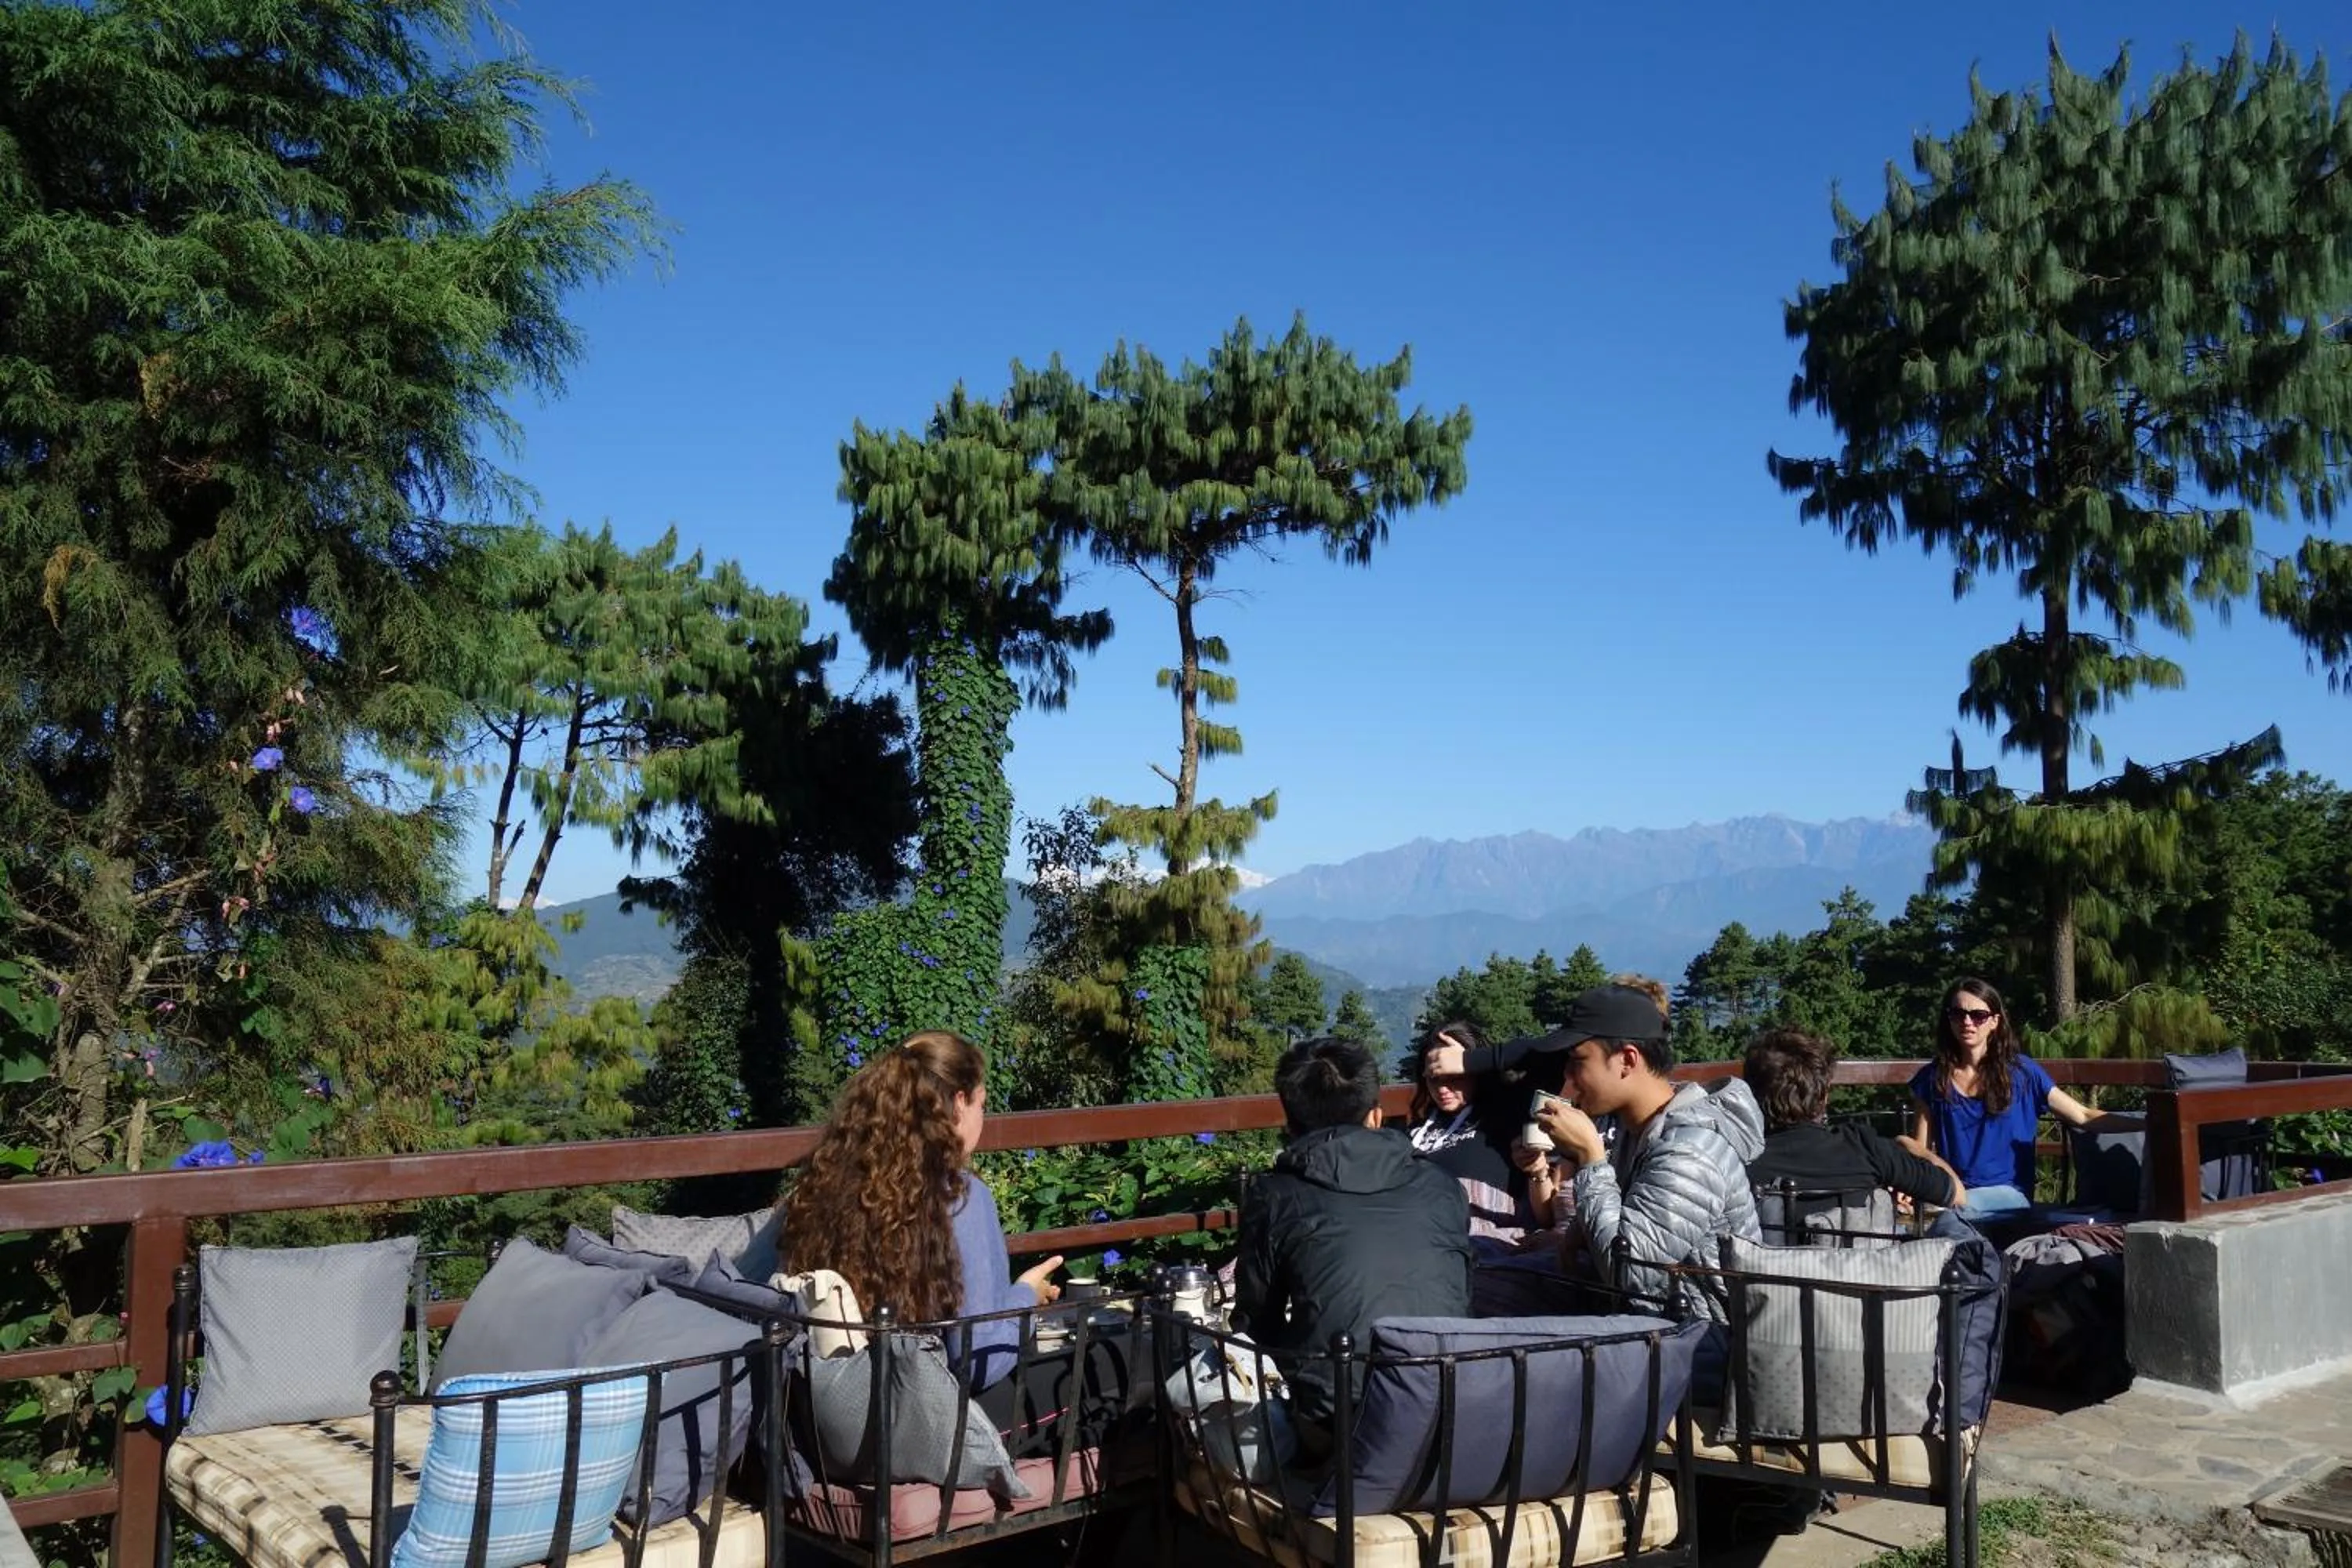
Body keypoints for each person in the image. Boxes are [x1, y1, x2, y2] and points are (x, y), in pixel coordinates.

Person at [779, 1030, 1076, 1425]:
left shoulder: (828, 1185)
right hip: (934, 1423)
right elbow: (979, 1361)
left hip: (836, 1417)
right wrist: (1024, 1296)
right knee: (1114, 1362)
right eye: (981, 1106)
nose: (982, 1120)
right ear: (958, 1104)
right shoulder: (960, 1196)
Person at [1235, 1036, 1474, 1452]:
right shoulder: (1440, 1185)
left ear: (1290, 1125)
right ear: (1376, 1117)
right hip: (1453, 1407)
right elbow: (1460, 1295)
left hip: (1343, 1424)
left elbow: (1259, 1325)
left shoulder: (1276, 1195)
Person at [1909, 978, 2095, 1218]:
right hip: (1952, 1192)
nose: (1967, 1022)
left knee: (1950, 1215)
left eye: (1978, 1015)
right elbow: (1919, 1147)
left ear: (1994, 1022)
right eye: (1958, 1014)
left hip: (2008, 1195)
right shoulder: (1932, 1078)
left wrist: (2149, 1122)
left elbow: (2083, 1115)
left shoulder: (2023, 1074)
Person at [1744, 1029, 1963, 1225]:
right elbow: (1957, 1195)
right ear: (1824, 1094)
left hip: (1767, 1270)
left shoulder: (1737, 1165)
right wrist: (1912, 1147)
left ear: (1751, 1095)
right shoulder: (1864, 1149)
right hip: (1860, 1269)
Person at [1404, 1022, 1555, 1249]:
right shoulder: (1415, 1131)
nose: (1443, 1088)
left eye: (1454, 1076)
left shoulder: (1506, 1118)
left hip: (1478, 1241)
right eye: (1434, 1078)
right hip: (1416, 1234)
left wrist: (1477, 1059)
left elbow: (1549, 1059)